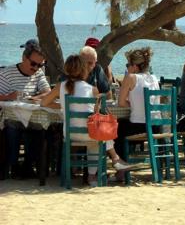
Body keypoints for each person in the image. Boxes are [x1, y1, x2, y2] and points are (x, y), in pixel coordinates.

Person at [40, 55, 131, 186]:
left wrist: (64, 106)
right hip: (91, 134)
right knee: (97, 136)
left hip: (71, 134)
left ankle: (114, 161)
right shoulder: (93, 90)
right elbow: (95, 113)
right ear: (84, 71)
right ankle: (94, 175)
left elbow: (44, 103)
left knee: (96, 136)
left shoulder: (60, 86)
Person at [0, 39, 51, 178]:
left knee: (40, 129)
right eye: (33, 63)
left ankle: (29, 165)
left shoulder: (38, 73)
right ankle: (13, 165)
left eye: (40, 65)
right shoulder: (7, 73)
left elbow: (48, 92)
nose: (35, 68)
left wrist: (35, 98)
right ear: (24, 57)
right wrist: (9, 96)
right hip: (11, 118)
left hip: (33, 117)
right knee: (13, 127)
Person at [113, 47, 160, 181]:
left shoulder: (131, 77)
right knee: (123, 127)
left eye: (128, 65)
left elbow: (121, 102)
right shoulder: (154, 78)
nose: (127, 68)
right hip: (155, 126)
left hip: (140, 127)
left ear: (134, 66)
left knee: (116, 130)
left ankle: (121, 171)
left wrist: (133, 105)